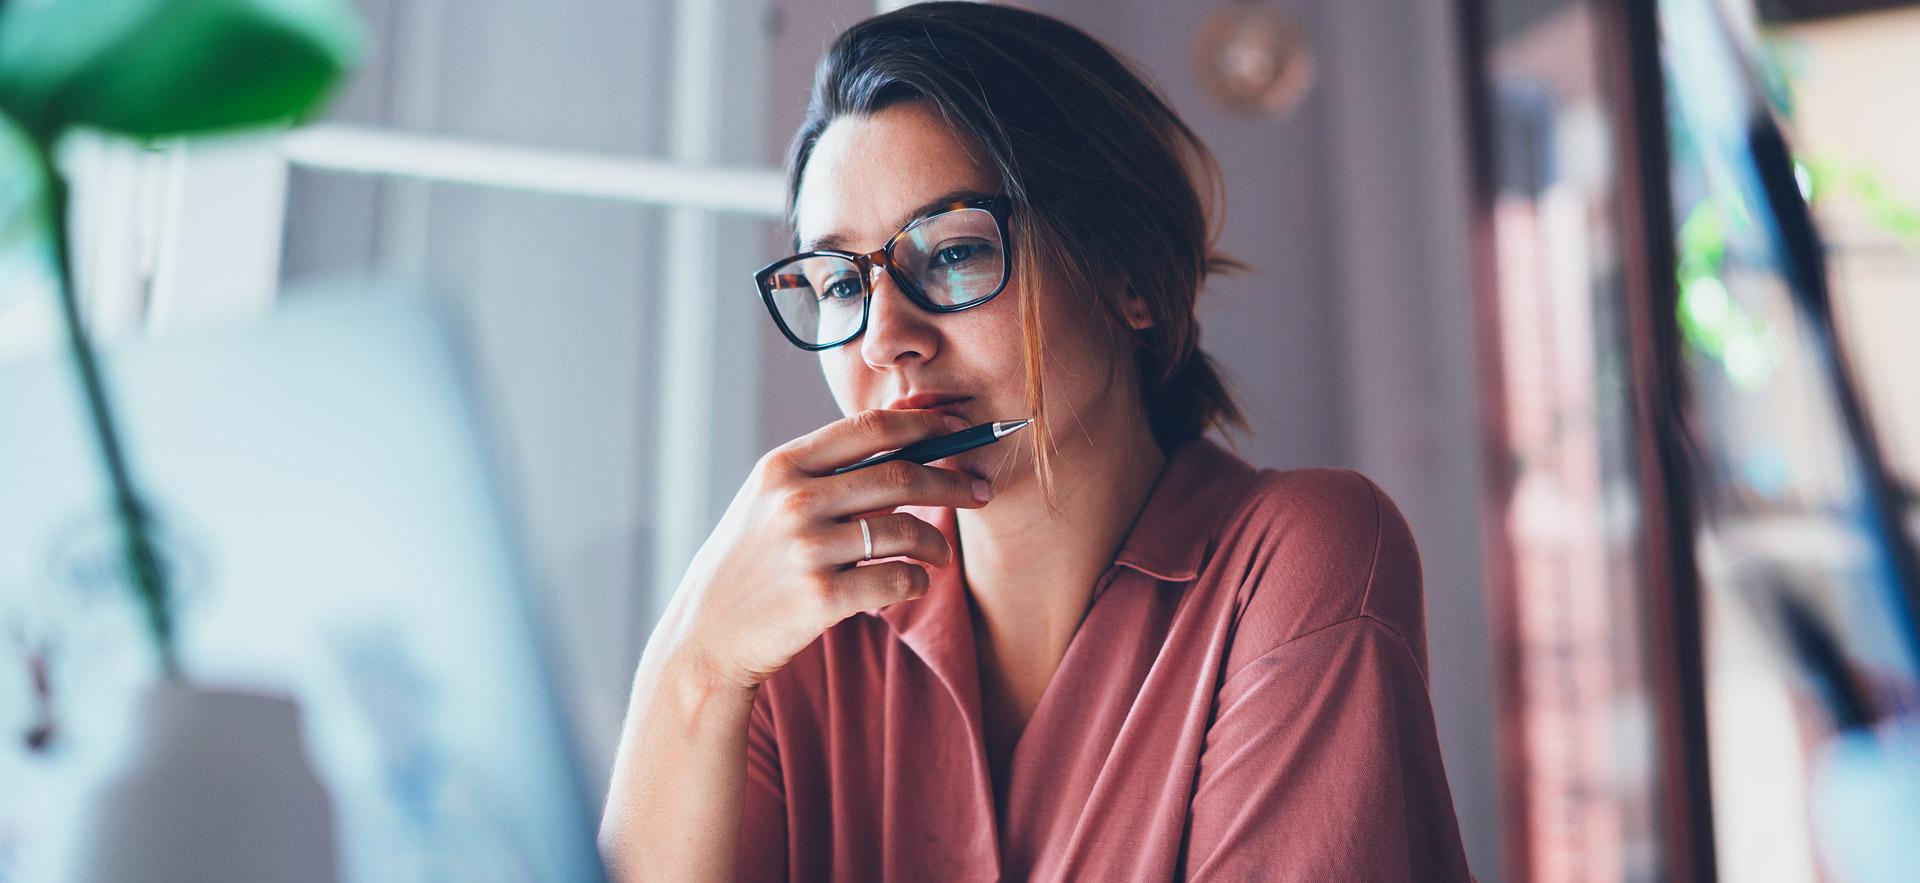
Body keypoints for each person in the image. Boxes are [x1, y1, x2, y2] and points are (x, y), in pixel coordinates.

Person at [599, 3, 1471, 880]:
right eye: (837, 283)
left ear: (1130, 273)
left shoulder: (1296, 559)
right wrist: (696, 665)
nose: (882, 337)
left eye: (952, 253)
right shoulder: (796, 639)